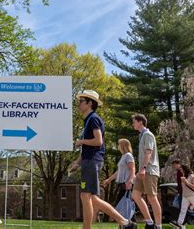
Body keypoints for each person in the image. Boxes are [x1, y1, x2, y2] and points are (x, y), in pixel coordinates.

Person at [69, 90, 135, 229]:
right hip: (89, 161)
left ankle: (120, 223)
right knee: (91, 198)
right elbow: (89, 147)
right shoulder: (88, 120)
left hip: (92, 162)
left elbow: (98, 141)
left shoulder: (93, 119)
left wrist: (81, 141)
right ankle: (125, 223)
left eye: (81, 101)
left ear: (89, 103)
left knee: (86, 196)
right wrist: (77, 162)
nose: (78, 104)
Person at [131, 113, 162, 229]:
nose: (133, 124)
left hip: (149, 170)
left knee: (152, 197)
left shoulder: (148, 135)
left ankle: (158, 226)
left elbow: (149, 152)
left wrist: (143, 169)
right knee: (135, 195)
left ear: (140, 122)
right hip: (142, 171)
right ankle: (149, 222)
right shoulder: (142, 136)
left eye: (134, 122)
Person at [170, 165, 194, 229]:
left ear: (185, 169)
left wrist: (186, 182)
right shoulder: (183, 177)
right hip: (185, 196)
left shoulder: (192, 176)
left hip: (192, 196)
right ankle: (179, 223)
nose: (181, 171)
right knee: (183, 210)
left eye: (181, 169)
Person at [102, 138, 135, 205]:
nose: (118, 146)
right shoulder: (123, 156)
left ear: (123, 145)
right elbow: (118, 172)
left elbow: (133, 169)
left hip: (127, 184)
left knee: (124, 204)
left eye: (119, 144)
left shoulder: (128, 155)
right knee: (123, 204)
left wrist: (130, 181)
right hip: (123, 184)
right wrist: (108, 180)